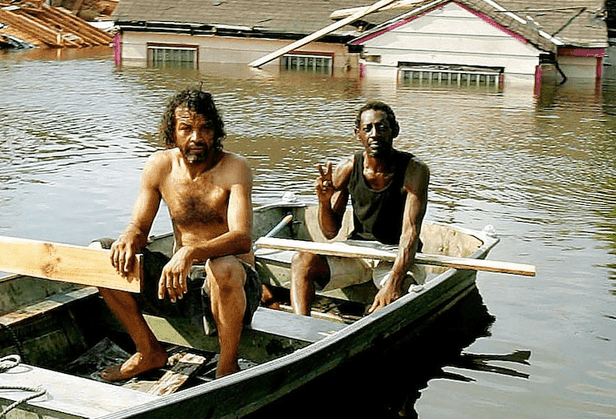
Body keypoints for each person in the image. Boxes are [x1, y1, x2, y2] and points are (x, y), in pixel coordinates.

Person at [99, 88, 260, 381]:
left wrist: (190, 252)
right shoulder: (160, 166)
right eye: (186, 128)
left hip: (234, 283)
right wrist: (127, 237)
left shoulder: (234, 168)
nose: (196, 138)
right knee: (101, 256)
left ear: (216, 132)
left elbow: (242, 238)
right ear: (173, 133)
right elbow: (140, 227)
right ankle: (148, 350)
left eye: (205, 129)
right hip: (180, 282)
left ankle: (227, 366)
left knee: (221, 266)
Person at [291, 101, 429, 316]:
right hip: (358, 251)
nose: (375, 134)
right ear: (358, 134)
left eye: (382, 127)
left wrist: (393, 280)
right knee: (302, 260)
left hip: (396, 254)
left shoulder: (414, 170)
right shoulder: (348, 168)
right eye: (368, 129)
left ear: (395, 131)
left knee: (396, 296)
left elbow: (410, 232)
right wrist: (324, 202)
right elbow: (329, 232)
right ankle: (300, 328)